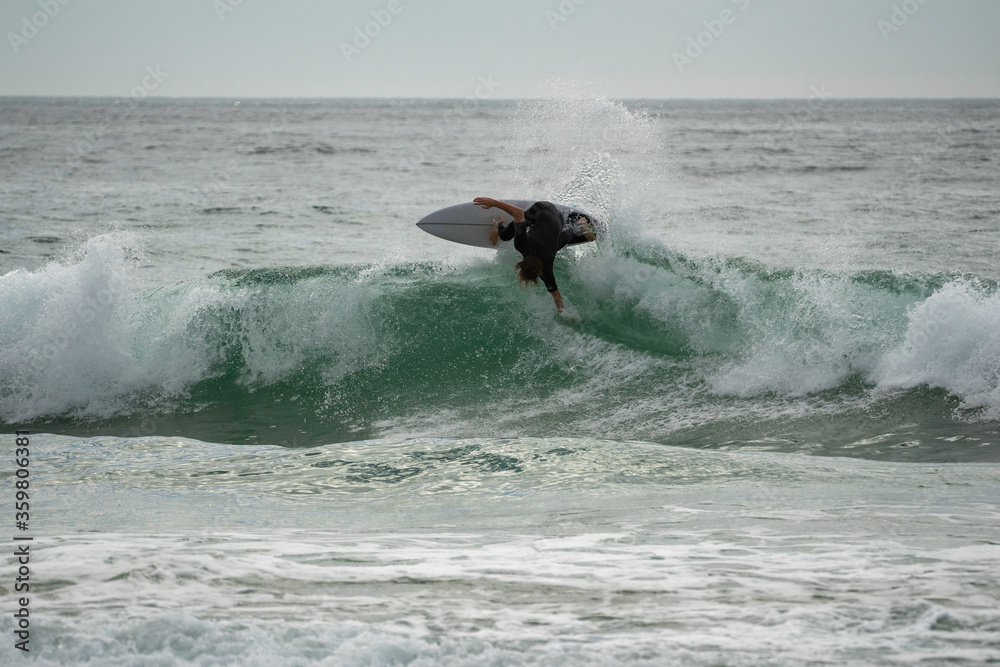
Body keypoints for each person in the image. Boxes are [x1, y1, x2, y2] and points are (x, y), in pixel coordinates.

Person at [473, 197, 596, 312]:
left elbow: (556, 295)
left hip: (558, 219)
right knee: (505, 235)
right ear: (521, 264)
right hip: (543, 209)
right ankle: (499, 224)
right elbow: (518, 213)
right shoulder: (521, 245)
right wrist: (493, 203)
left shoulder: (547, 270)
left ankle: (578, 226)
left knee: (559, 242)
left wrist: (562, 313)